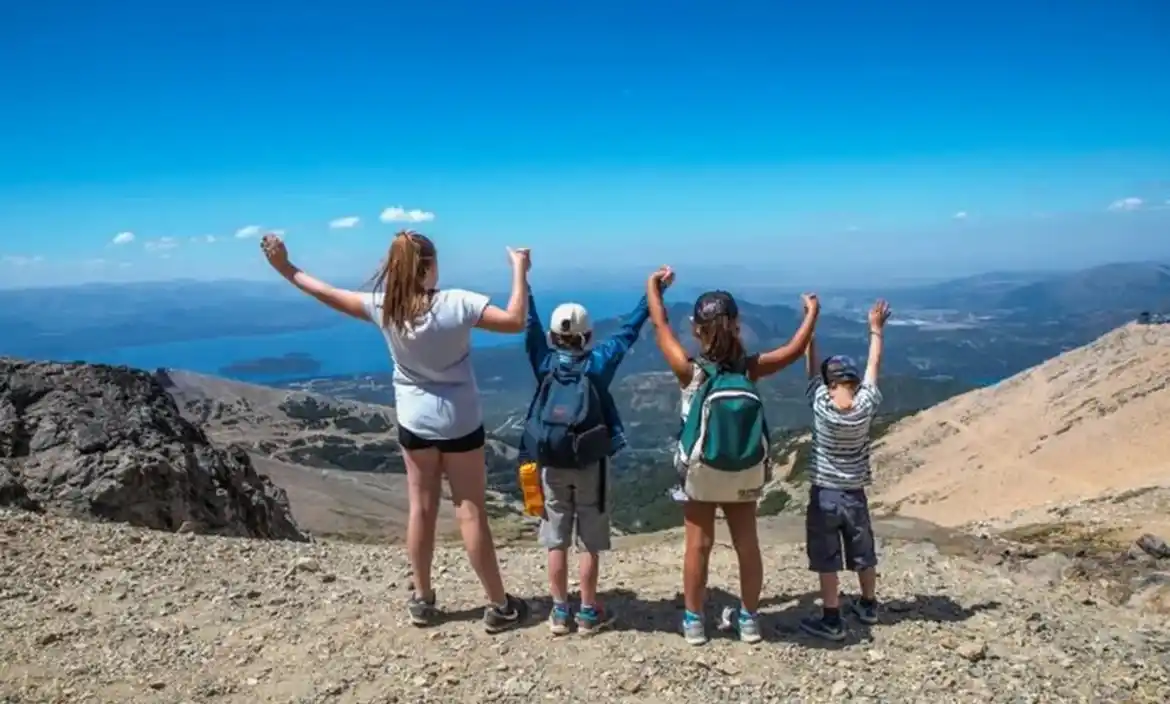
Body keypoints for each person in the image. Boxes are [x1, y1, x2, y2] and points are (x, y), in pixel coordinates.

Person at [260, 230, 531, 633]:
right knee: (469, 510)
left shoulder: (384, 307)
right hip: (460, 421)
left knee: (420, 508)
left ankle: (422, 600)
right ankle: (498, 604)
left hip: (414, 422)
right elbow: (514, 321)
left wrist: (284, 267)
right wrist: (519, 270)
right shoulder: (458, 302)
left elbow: (325, 292)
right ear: (430, 266)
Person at [646, 270, 820, 645]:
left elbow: (659, 325)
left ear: (696, 329)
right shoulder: (750, 369)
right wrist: (811, 314)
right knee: (747, 543)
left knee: (698, 544)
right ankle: (750, 619)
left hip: (700, 472)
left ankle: (693, 622)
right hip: (744, 469)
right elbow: (793, 350)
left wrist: (653, 288)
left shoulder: (689, 371)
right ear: (738, 325)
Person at [520, 269, 668, 636]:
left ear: (554, 338)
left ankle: (558, 613)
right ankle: (587, 613)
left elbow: (529, 325)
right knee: (588, 541)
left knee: (556, 538)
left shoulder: (544, 365)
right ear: (587, 336)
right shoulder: (597, 364)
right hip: (591, 464)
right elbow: (627, 332)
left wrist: (522, 277)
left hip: (551, 462)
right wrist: (652, 294)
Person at [799, 299, 890, 641]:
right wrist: (876, 329)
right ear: (853, 381)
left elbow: (811, 367)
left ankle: (832, 618)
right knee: (862, 551)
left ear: (828, 381)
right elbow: (874, 365)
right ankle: (868, 605)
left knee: (827, 557)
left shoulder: (820, 403)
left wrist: (810, 325)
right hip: (854, 494)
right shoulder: (866, 404)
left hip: (824, 492)